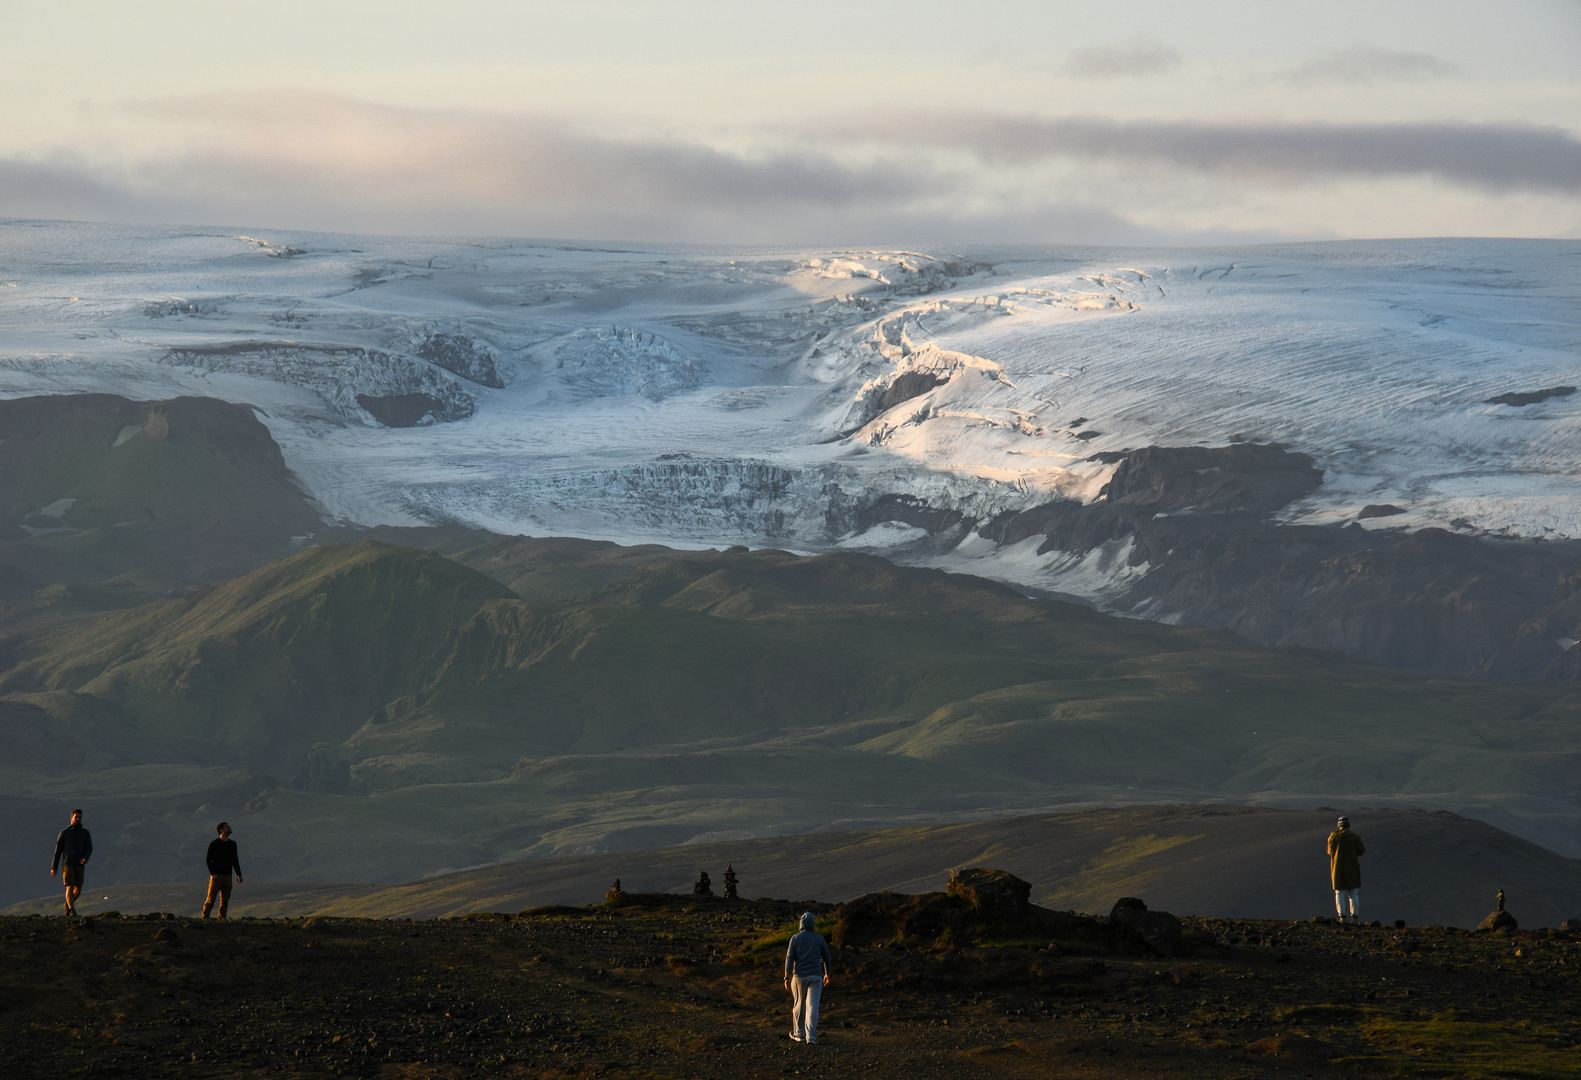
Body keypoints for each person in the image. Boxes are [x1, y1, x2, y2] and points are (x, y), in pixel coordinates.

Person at [783, 912, 832, 1043]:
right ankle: (811, 1037)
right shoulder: (820, 939)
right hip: (816, 976)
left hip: (799, 976)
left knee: (798, 1004)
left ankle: (799, 1034)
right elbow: (827, 958)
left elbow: (789, 959)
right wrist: (827, 973)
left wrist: (786, 977)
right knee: (812, 1006)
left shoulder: (795, 938)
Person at [50, 809, 93, 916]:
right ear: (71, 818)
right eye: (76, 817)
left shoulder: (85, 833)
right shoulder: (64, 833)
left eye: (80, 817)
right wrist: (54, 867)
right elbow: (58, 851)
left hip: (79, 864)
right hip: (67, 863)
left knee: (78, 889)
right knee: (70, 886)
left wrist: (85, 858)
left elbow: (89, 848)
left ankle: (68, 905)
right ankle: (72, 909)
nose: (78, 819)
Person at [1327, 815, 1365, 924]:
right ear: (1348, 825)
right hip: (1352, 868)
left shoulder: (1333, 837)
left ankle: (1342, 916)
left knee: (1339, 893)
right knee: (1353, 894)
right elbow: (1361, 851)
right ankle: (1355, 917)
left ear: (1339, 826)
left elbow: (1330, 851)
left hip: (1338, 869)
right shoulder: (1355, 837)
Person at [202, 821, 244, 918]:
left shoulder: (233, 844)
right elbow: (208, 860)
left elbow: (235, 860)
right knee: (211, 899)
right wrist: (213, 873)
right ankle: (205, 917)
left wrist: (239, 874)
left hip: (228, 875)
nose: (229, 828)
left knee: (225, 899)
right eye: (226, 827)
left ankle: (222, 917)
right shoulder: (214, 844)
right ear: (221, 830)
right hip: (217, 876)